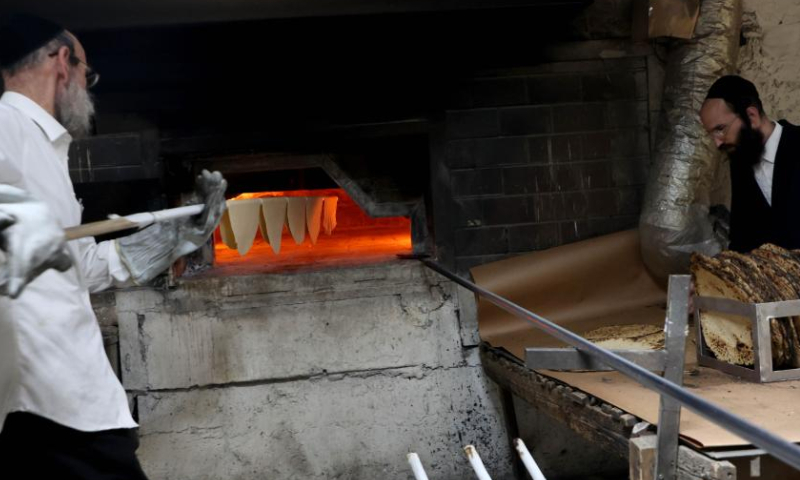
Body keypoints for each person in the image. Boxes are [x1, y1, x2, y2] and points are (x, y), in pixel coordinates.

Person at [0, 13, 226, 478]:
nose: (88, 84)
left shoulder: (40, 146)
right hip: (51, 400)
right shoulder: (10, 132)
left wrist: (170, 239)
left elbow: (68, 265)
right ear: (63, 61)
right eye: (88, 72)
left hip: (57, 404)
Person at [700, 75, 800, 253]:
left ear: (751, 116)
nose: (718, 143)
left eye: (720, 129)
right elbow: (742, 238)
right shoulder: (740, 162)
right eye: (712, 134)